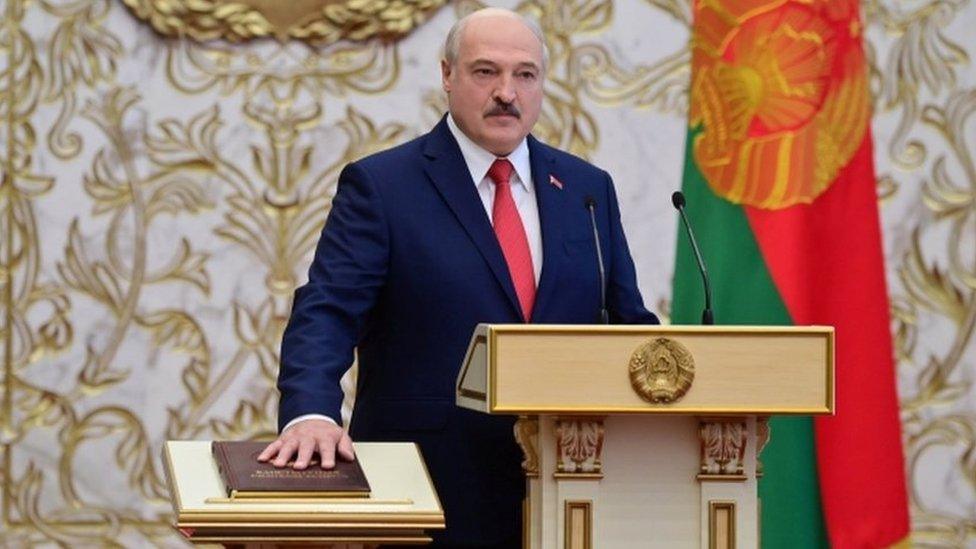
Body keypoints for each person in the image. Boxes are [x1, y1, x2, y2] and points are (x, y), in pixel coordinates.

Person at [258, 7, 658, 547]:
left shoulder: (587, 189)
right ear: (447, 76)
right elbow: (327, 310)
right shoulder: (383, 185)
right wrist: (310, 413)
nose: (506, 93)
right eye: (485, 72)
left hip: (572, 491)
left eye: (524, 75)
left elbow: (628, 323)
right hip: (430, 486)